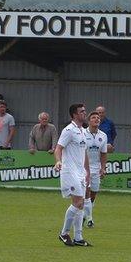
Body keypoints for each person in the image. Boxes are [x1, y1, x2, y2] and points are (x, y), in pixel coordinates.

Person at [54, 103, 91, 247]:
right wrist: (58, 161)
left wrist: (87, 171)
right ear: (74, 114)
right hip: (69, 171)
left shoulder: (83, 131)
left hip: (80, 172)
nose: (84, 113)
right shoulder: (68, 130)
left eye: (84, 111)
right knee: (79, 203)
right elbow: (58, 148)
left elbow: (84, 153)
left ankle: (78, 237)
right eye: (82, 111)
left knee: (80, 205)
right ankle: (64, 233)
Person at [83, 111, 107, 229]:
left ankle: (84, 215)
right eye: (93, 118)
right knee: (86, 193)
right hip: (83, 169)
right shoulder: (82, 133)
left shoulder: (103, 135)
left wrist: (103, 168)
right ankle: (90, 219)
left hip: (96, 169)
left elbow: (103, 154)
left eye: (98, 118)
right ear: (89, 121)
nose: (96, 119)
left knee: (93, 195)